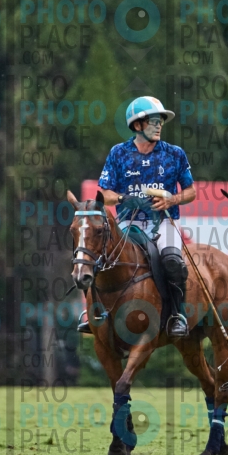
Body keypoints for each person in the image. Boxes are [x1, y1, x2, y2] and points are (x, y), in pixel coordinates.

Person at [77, 96, 196, 338]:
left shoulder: (174, 154)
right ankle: (94, 312)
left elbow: (191, 191)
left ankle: (177, 315)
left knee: (172, 260)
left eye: (160, 121)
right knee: (95, 255)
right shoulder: (118, 153)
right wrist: (123, 198)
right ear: (138, 125)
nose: (159, 125)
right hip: (126, 224)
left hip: (163, 222)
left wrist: (172, 200)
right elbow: (105, 193)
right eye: (153, 121)